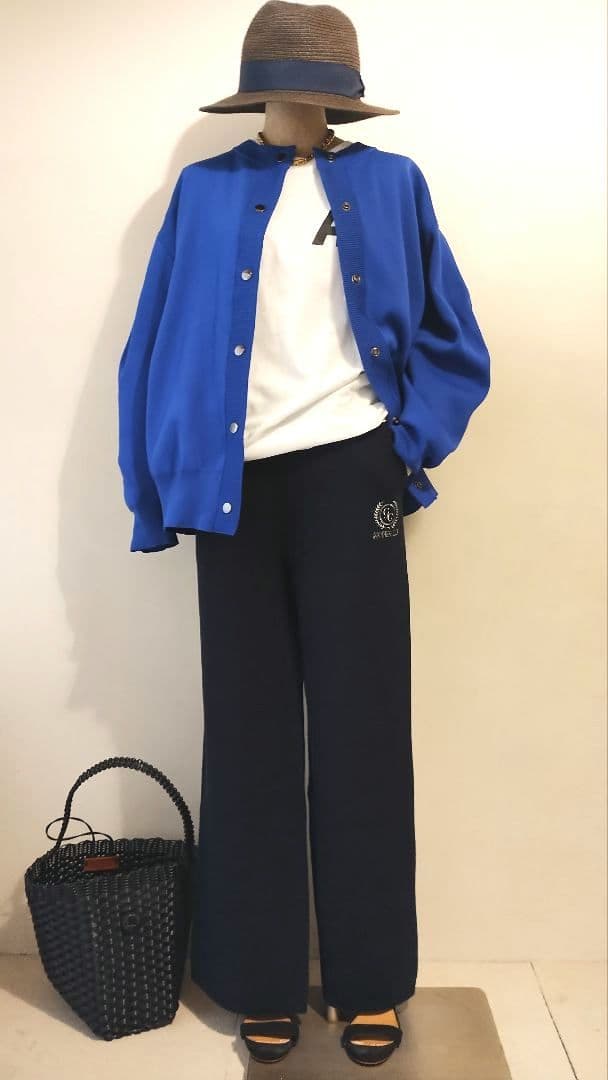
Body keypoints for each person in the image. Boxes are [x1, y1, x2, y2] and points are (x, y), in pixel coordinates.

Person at [117, 1, 491, 1067]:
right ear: (258, 89)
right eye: (289, 85)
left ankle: (371, 980)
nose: (305, 104)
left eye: (322, 88)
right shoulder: (204, 192)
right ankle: (258, 976)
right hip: (230, 488)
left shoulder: (393, 183)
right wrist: (152, 492)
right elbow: (151, 345)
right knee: (247, 734)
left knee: (363, 731)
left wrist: (404, 444)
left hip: (351, 477)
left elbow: (453, 338)